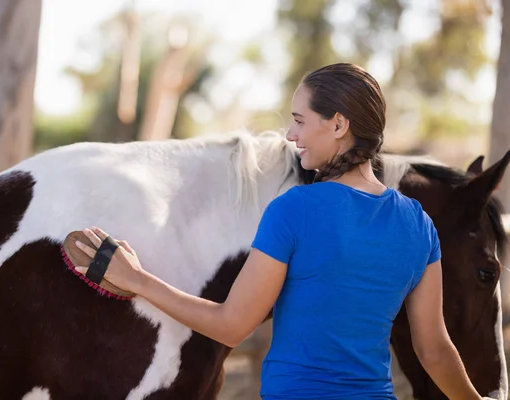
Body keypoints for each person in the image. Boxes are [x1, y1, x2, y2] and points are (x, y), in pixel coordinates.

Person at [73, 63, 490, 399]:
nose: (291, 136)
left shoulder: (294, 209)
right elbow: (434, 350)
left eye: (300, 121)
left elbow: (232, 325)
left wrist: (137, 280)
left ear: (339, 124)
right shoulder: (417, 223)